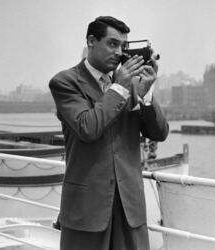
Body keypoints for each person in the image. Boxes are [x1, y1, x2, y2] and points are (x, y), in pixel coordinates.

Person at [49, 16, 169, 250]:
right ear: (92, 41)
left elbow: (159, 133)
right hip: (86, 208)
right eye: (112, 44)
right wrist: (120, 88)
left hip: (129, 206)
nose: (118, 52)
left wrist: (146, 95)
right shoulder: (65, 82)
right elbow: (88, 128)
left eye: (123, 46)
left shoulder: (130, 85)